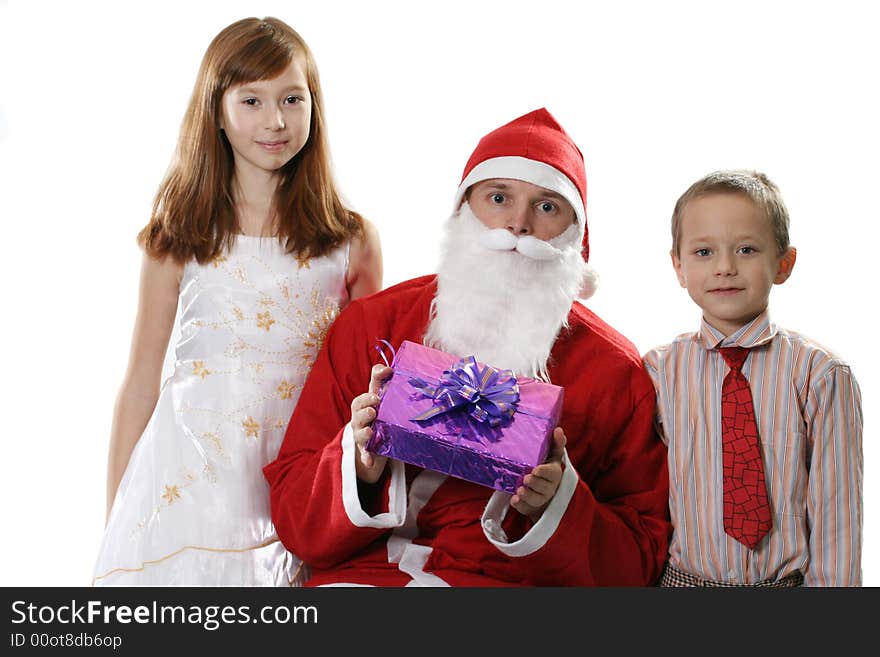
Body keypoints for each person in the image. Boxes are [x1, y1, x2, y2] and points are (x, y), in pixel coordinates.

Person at [264, 108, 671, 586]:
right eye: (499, 198)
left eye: (546, 207)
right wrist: (356, 462)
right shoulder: (374, 323)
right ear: (463, 209)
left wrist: (559, 502)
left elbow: (638, 560)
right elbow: (292, 509)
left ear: (573, 235)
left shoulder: (615, 371)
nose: (518, 225)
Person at [92, 17, 382, 586]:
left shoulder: (349, 242)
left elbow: (365, 383)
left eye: (292, 99)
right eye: (252, 100)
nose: (274, 121)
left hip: (298, 479)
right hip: (189, 485)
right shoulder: (177, 237)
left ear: (313, 106)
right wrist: (118, 516)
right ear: (215, 108)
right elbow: (142, 380)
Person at [643, 170, 863, 587]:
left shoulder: (820, 376)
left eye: (746, 249)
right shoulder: (657, 372)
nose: (725, 267)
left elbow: (838, 517)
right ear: (678, 266)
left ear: (783, 263)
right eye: (704, 252)